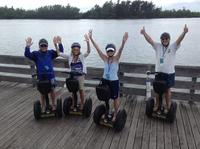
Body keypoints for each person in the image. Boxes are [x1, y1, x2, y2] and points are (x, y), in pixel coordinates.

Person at [141, 24, 188, 113]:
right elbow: (150, 40)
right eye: (163, 39)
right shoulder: (158, 46)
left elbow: (179, 39)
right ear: (161, 40)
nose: (164, 40)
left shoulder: (173, 46)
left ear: (169, 39)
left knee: (167, 90)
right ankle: (157, 105)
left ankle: (167, 106)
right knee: (157, 91)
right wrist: (144, 33)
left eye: (166, 39)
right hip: (159, 73)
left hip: (169, 73)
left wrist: (184, 32)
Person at [88, 30, 128, 121]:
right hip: (105, 80)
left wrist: (123, 42)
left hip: (114, 81)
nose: (110, 52)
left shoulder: (116, 58)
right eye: (108, 51)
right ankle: (107, 111)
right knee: (105, 97)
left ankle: (115, 114)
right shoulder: (104, 58)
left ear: (114, 52)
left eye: (111, 51)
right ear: (106, 51)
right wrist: (91, 38)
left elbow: (121, 50)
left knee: (115, 98)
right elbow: (97, 48)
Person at [53, 34, 91, 111]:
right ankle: (74, 103)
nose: (75, 51)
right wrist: (56, 44)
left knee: (80, 90)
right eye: (74, 49)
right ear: (72, 50)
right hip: (73, 76)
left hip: (80, 76)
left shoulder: (82, 56)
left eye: (77, 49)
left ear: (79, 50)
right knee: (73, 91)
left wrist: (88, 42)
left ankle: (82, 104)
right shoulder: (70, 56)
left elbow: (88, 51)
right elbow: (59, 53)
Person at [24, 37, 59, 113]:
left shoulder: (50, 53)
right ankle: (43, 105)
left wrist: (58, 44)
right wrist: (27, 46)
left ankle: (53, 104)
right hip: (41, 76)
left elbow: (60, 52)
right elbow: (27, 54)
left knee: (52, 90)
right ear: (39, 46)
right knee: (42, 92)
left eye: (45, 45)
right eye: (42, 46)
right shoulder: (36, 54)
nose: (43, 47)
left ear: (47, 46)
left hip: (50, 76)